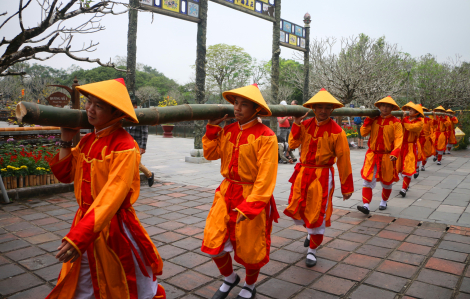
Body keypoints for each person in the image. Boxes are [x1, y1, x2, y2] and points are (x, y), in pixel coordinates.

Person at [46, 78, 165, 299]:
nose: (90, 109)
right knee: (84, 282)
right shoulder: (88, 140)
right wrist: (66, 139)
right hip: (85, 221)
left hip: (114, 226)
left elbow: (113, 196)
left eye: (98, 106)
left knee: (127, 283)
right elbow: (65, 175)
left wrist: (79, 236)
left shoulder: (125, 146)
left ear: (116, 112)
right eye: (89, 102)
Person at [202, 84, 279, 299]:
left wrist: (252, 205)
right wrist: (211, 130)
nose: (237, 108)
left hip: (251, 193)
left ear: (256, 109)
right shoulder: (228, 130)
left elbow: (267, 175)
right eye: (236, 103)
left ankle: (250, 285)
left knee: (251, 246)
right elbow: (211, 155)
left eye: (244, 104)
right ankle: (229, 278)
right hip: (226, 191)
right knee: (213, 239)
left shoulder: (266, 135)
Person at [284, 88, 354, 267]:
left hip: (322, 176)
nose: (323, 110)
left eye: (327, 107)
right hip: (302, 173)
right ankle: (310, 233)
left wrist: (346, 187)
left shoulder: (337, 131)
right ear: (313, 108)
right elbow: (292, 144)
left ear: (332, 109)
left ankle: (312, 250)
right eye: (319, 107)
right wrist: (296, 124)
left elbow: (344, 160)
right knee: (298, 206)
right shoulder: (305, 125)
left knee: (318, 212)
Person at [357, 96, 403, 214]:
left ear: (392, 108)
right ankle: (366, 205)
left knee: (387, 181)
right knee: (367, 180)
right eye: (383, 105)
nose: (385, 108)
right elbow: (363, 132)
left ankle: (383, 201)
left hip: (388, 156)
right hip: (372, 155)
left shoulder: (396, 122)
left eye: (388, 106)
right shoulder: (374, 119)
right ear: (379, 107)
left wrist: (395, 151)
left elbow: (399, 138)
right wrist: (368, 120)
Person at [125, 100, 155, 187]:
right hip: (128, 145)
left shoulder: (141, 117)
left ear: (135, 107)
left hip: (137, 145)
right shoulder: (127, 117)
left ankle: (145, 177)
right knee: (133, 163)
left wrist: (143, 147)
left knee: (136, 164)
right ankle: (149, 175)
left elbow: (145, 133)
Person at [397, 103, 423, 196]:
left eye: (412, 109)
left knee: (408, 167)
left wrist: (403, 119)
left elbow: (410, 127)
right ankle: (406, 184)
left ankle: (403, 189)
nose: (409, 110)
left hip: (411, 147)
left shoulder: (419, 122)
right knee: (399, 167)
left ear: (417, 112)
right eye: (409, 108)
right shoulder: (405, 119)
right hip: (401, 146)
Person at [417, 105, 434, 172]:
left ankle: (423, 165)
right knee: (417, 153)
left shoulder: (429, 120)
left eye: (424, 111)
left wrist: (434, 116)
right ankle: (417, 167)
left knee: (426, 153)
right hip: (418, 139)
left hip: (426, 139)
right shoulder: (416, 119)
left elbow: (434, 126)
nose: (423, 112)